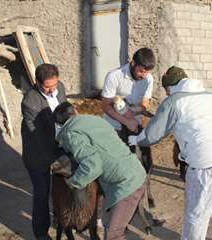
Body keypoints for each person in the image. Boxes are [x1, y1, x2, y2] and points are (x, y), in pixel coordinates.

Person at [128, 66, 212, 240]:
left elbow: (153, 134)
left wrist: (136, 140)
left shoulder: (174, 101)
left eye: (167, 90)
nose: (167, 94)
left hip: (205, 164)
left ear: (170, 87)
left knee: (198, 214)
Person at [53, 102, 147, 240]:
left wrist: (74, 182)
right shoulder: (95, 120)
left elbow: (92, 165)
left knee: (114, 234)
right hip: (131, 172)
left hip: (128, 183)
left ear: (59, 124)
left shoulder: (71, 133)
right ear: (75, 111)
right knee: (108, 223)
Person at [21, 63, 67, 240]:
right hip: (38, 153)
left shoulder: (60, 87)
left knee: (62, 185)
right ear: (37, 83)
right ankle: (40, 233)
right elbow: (39, 136)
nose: (53, 89)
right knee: (42, 192)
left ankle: (59, 217)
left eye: (54, 84)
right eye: (48, 87)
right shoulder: (29, 102)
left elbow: (65, 110)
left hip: (58, 144)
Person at [101, 47, 155, 137]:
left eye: (147, 72)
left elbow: (145, 103)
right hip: (113, 127)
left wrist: (135, 111)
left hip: (135, 126)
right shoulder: (114, 76)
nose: (144, 75)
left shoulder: (148, 79)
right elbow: (106, 106)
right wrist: (127, 121)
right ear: (133, 63)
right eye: (141, 71)